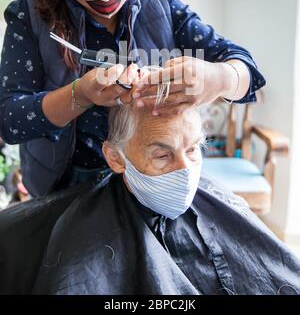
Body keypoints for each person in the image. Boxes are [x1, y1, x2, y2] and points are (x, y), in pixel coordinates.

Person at [0, 0, 266, 198]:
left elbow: (248, 72)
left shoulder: (164, 7)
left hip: (157, 185)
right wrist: (81, 94)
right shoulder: (30, 18)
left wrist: (217, 78)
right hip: (67, 193)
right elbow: (10, 120)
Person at [0, 102, 299, 295]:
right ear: (116, 158)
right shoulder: (85, 231)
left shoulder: (222, 201)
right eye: (162, 154)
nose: (185, 170)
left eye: (193, 149)